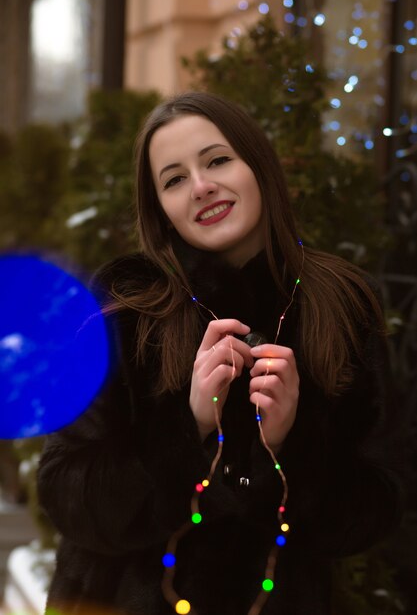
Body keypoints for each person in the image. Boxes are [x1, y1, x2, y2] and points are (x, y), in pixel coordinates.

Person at [37, 91, 404, 615]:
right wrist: (188, 426)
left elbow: (378, 503)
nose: (202, 186)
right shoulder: (122, 305)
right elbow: (68, 496)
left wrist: (283, 446)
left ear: (257, 163)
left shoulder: (341, 303)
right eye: (174, 179)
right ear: (160, 210)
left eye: (217, 160)